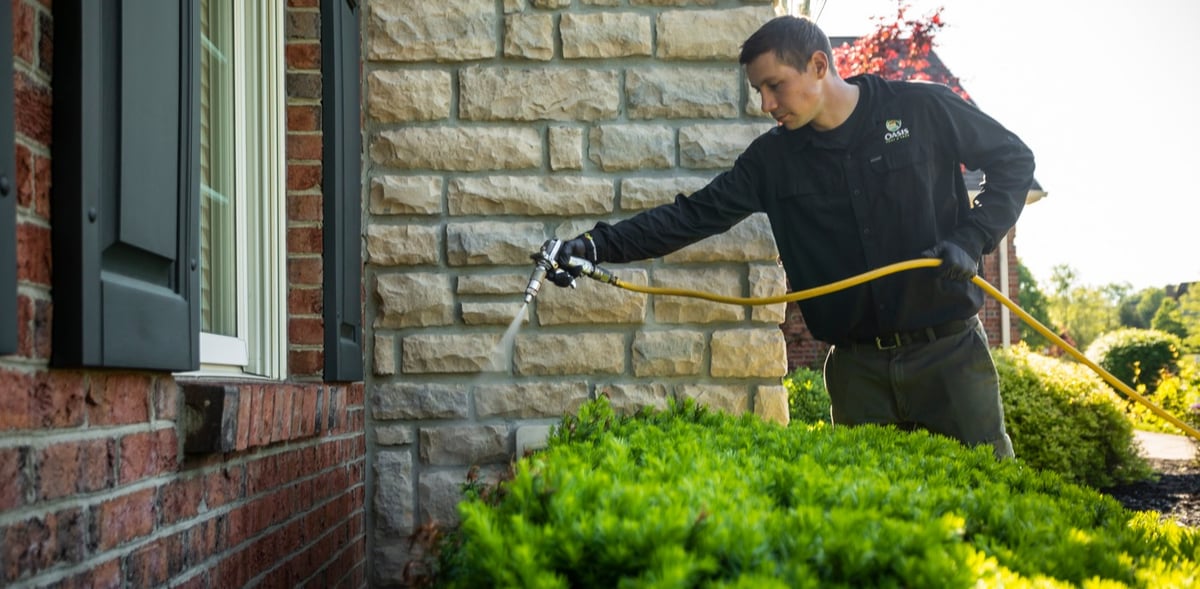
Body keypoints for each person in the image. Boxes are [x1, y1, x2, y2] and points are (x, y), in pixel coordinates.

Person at [549, 14, 1035, 459]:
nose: (766, 104)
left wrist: (972, 238)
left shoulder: (922, 108)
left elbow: (1014, 160)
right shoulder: (771, 162)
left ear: (819, 65)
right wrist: (594, 247)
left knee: (987, 504)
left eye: (774, 85)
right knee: (869, 528)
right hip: (856, 373)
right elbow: (690, 217)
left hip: (948, 358)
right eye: (759, 90)